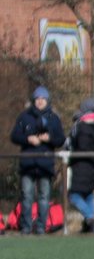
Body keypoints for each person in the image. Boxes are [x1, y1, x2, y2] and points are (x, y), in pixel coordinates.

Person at [9, 86, 65, 235]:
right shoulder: (24, 117)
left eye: (43, 99)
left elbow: (61, 139)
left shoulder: (54, 118)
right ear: (34, 100)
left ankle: (41, 227)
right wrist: (27, 139)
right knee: (26, 196)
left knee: (44, 196)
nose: (40, 101)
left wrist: (50, 138)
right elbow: (14, 136)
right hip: (27, 163)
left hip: (45, 164)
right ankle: (26, 227)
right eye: (37, 99)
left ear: (47, 100)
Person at [67, 97, 94, 234]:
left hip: (81, 163)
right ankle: (89, 225)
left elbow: (79, 144)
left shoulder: (82, 126)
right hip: (91, 163)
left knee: (74, 196)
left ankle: (91, 219)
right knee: (88, 194)